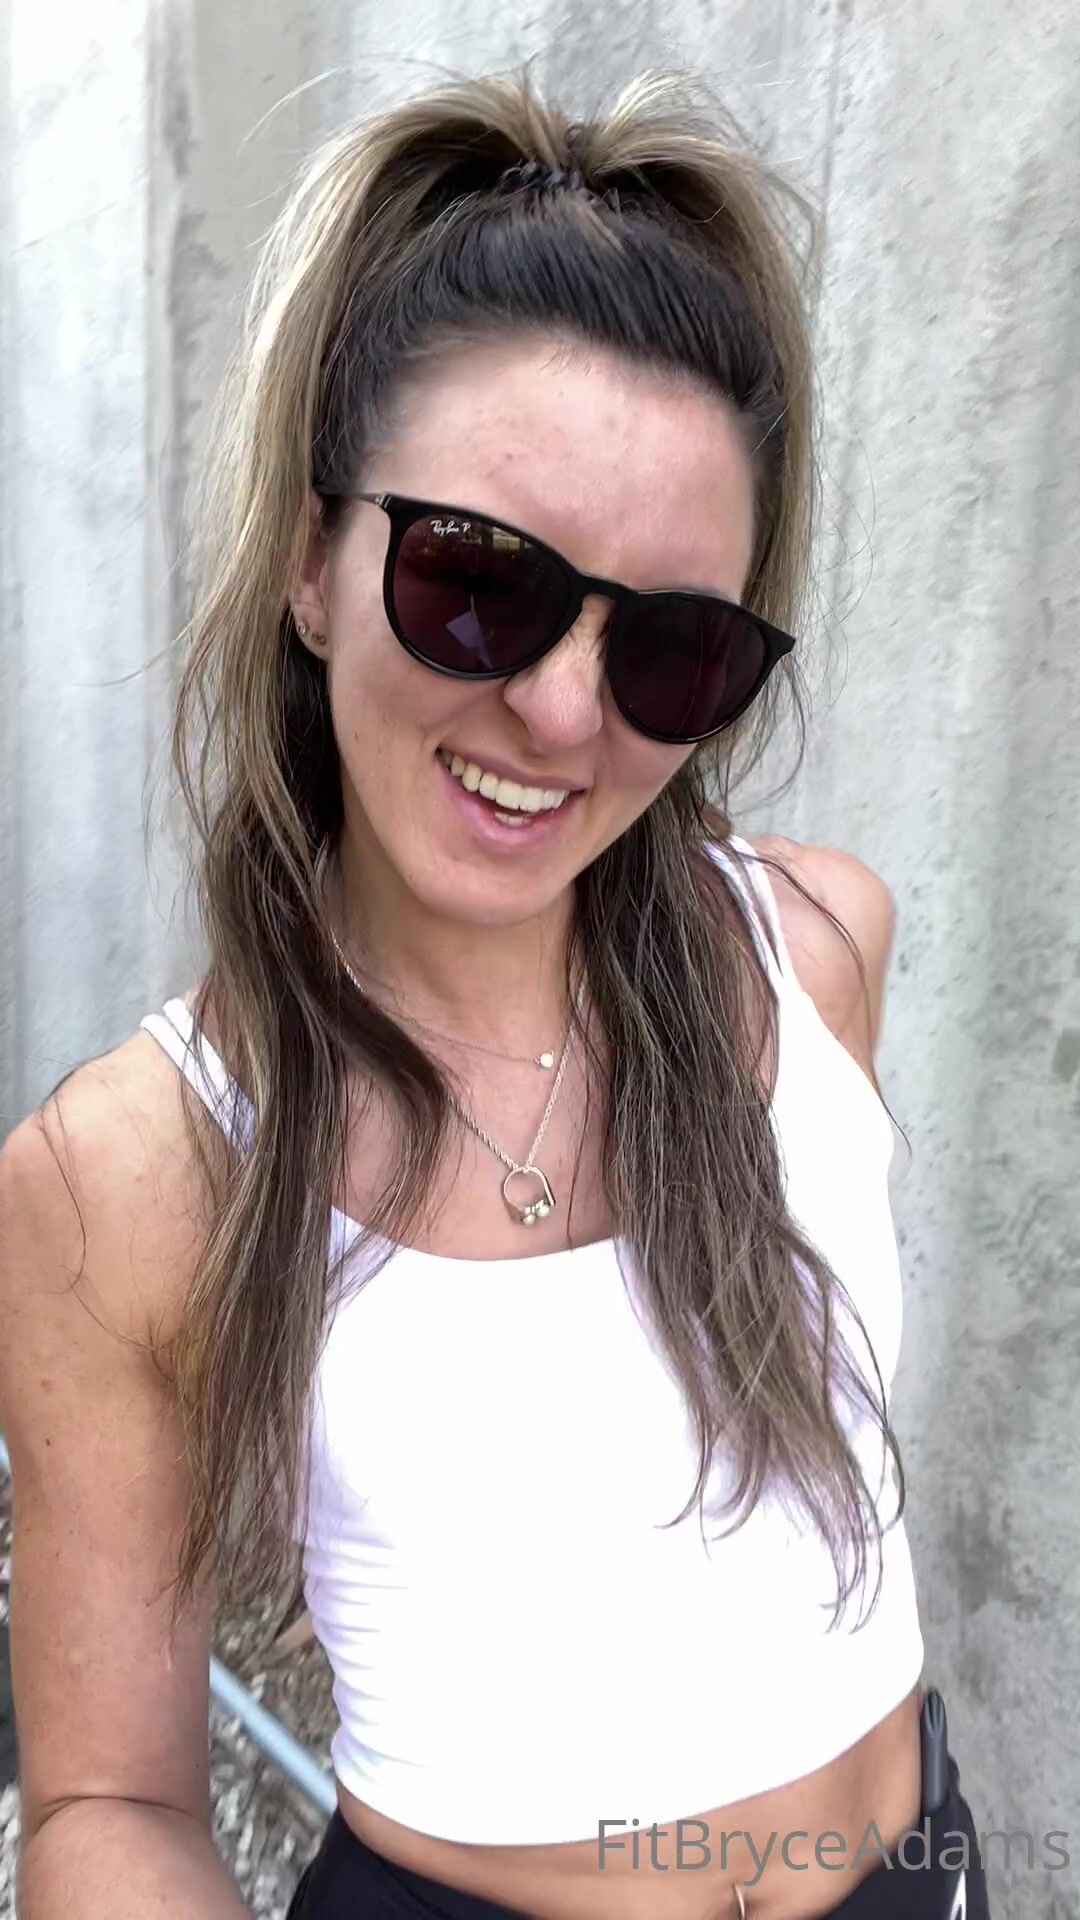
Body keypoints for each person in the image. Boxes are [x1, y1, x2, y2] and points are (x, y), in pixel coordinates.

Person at [0, 68, 990, 1920]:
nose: (558, 712)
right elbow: (109, 1806)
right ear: (310, 565)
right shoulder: (132, 1171)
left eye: (674, 648)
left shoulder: (818, 950)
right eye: (477, 584)